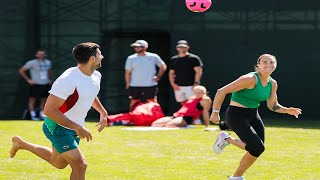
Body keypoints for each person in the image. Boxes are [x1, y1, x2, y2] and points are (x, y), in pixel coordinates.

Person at [10, 42, 109, 180]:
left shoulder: (96, 75)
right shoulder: (68, 79)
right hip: (57, 126)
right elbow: (49, 110)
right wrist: (77, 127)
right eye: (99, 54)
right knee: (80, 165)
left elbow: (89, 94)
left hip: (74, 127)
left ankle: (21, 144)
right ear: (92, 58)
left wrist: (103, 112)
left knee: (58, 163)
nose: (102, 57)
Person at [210, 54, 302, 180]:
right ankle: (235, 173)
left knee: (257, 149)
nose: (269, 64)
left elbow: (272, 105)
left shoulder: (273, 83)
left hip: (253, 114)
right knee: (257, 147)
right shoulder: (250, 79)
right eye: (265, 62)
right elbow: (222, 91)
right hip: (236, 115)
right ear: (258, 65)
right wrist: (215, 112)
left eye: (272, 62)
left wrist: (287, 110)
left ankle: (234, 170)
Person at [125, 40, 167, 107]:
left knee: (152, 102)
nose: (136, 48)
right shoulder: (131, 58)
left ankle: (155, 116)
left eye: (139, 47)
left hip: (150, 84)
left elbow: (163, 66)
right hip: (134, 85)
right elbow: (128, 72)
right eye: (135, 47)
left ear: (145, 47)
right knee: (134, 102)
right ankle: (133, 116)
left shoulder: (153, 57)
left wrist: (158, 76)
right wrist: (128, 84)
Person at [19, 49, 53, 120]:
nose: (41, 55)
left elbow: (49, 71)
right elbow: (21, 70)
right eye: (39, 54)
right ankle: (33, 115)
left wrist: (50, 79)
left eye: (42, 54)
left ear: (45, 55)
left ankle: (42, 114)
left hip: (45, 84)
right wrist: (28, 80)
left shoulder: (48, 62)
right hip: (35, 84)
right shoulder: (31, 63)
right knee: (32, 100)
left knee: (44, 100)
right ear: (36, 55)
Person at [169, 40, 203, 105]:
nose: (182, 48)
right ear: (177, 48)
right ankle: (185, 115)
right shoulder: (174, 59)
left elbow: (198, 71)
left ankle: (193, 115)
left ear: (188, 47)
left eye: (184, 47)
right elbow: (171, 73)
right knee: (183, 103)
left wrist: (196, 83)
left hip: (191, 86)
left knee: (193, 103)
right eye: (180, 47)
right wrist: (173, 84)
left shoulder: (194, 58)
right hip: (178, 86)